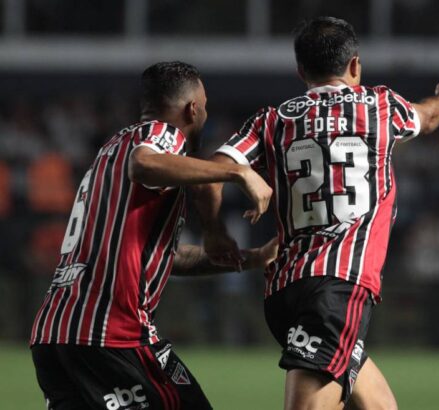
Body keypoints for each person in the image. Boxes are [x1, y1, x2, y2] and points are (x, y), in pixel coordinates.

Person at [202, 17, 439, 410]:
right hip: (337, 287)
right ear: (355, 65)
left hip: (283, 291)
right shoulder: (378, 106)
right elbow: (427, 116)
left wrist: (215, 234)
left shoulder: (272, 120)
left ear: (300, 71)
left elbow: (209, 173)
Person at [30, 61, 274, 410]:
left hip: (55, 334)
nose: (205, 113)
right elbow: (144, 164)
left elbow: (163, 257)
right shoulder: (161, 135)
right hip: (109, 333)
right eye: (204, 106)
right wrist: (235, 171)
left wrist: (255, 257)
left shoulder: (109, 150)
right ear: (193, 109)